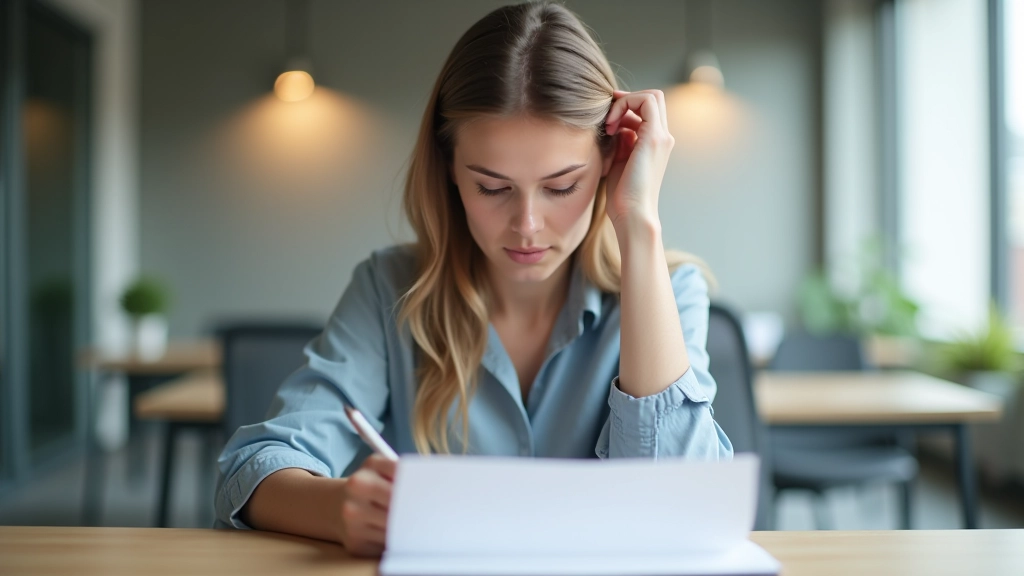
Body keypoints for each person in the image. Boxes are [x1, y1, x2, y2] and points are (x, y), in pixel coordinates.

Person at [214, 0, 733, 556]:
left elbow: (684, 504)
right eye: (492, 187)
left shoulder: (668, 288)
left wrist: (639, 224)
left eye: (562, 186)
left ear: (611, 162)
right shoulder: (389, 287)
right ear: (450, 171)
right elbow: (250, 471)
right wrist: (341, 509)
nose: (527, 226)